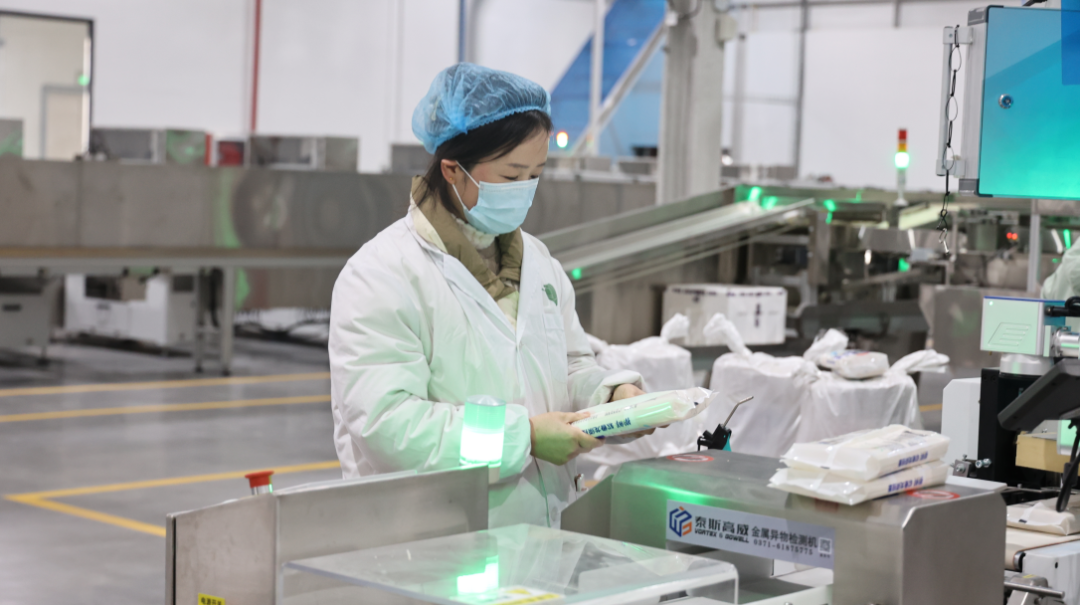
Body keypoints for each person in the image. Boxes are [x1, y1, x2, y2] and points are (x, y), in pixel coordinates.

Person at [328, 63, 648, 528]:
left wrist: (610, 396)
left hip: (542, 534)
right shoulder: (382, 274)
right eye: (511, 176)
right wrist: (523, 439)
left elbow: (570, 365)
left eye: (536, 174)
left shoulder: (538, 263)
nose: (525, 191)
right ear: (453, 170)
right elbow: (389, 427)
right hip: (433, 539)